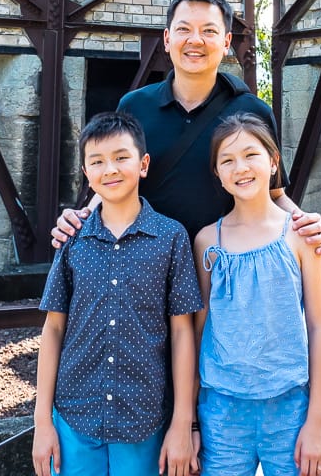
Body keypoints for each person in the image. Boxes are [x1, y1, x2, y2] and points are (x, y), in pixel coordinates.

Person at [52, 0, 321, 248]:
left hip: (225, 263)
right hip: (148, 266)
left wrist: (306, 224)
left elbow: (273, 193)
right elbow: (113, 181)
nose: (195, 40)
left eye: (209, 31)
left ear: (226, 42)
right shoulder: (134, 106)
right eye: (184, 29)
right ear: (167, 38)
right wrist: (80, 218)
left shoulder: (253, 111)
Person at [33, 111, 201, 476]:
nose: (110, 169)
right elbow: (53, 329)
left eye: (121, 158)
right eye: (97, 161)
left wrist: (182, 424)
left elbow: (182, 332)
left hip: (143, 417)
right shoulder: (73, 239)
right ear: (86, 172)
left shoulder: (171, 238)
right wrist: (42, 420)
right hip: (75, 415)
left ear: (143, 164)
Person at [193, 112, 321, 476]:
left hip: (290, 408)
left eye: (251, 155)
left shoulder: (301, 235)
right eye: (227, 160)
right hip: (222, 411)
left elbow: (318, 325)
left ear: (273, 162)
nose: (241, 167)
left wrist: (317, 420)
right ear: (218, 175)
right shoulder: (208, 241)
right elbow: (198, 330)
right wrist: (190, 422)